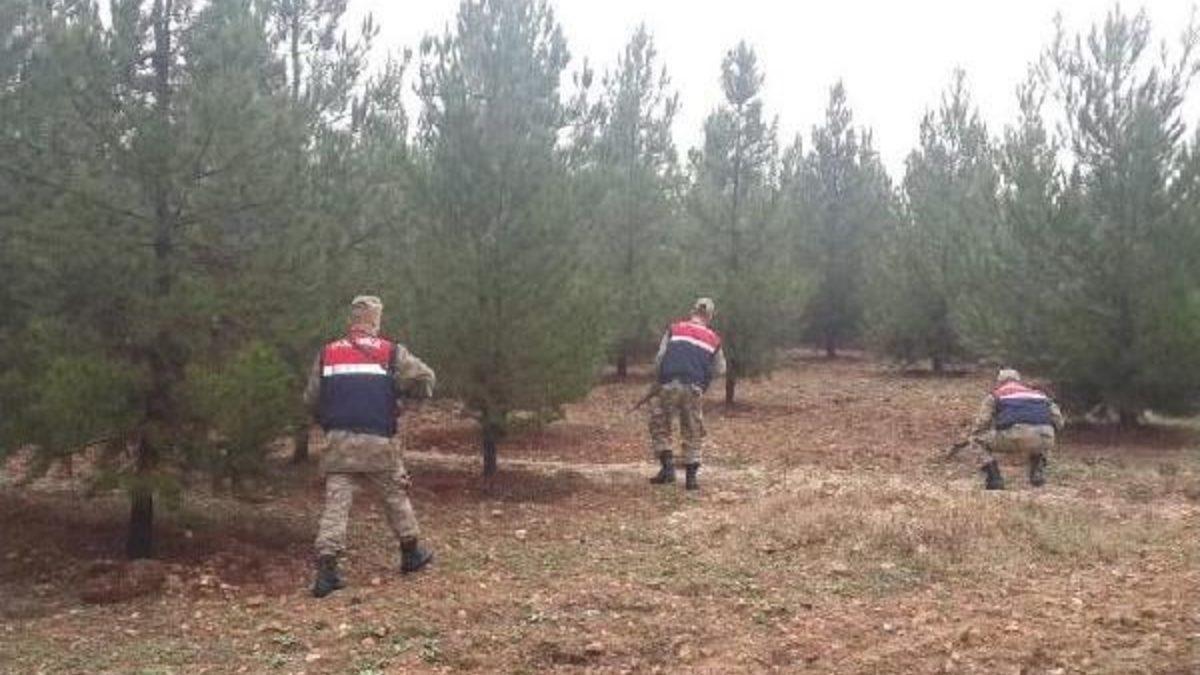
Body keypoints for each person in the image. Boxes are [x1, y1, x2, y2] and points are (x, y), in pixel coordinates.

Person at [303, 295, 437, 597]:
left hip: (339, 442)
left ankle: (327, 572)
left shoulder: (328, 353)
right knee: (394, 495)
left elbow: (311, 398)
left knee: (336, 506)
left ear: (352, 320)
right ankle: (411, 553)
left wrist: (328, 421)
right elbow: (425, 377)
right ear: (376, 320)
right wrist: (407, 401)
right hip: (379, 441)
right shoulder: (391, 351)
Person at [647, 297, 726, 491]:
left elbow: (659, 358)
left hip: (669, 383)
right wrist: (703, 376)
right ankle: (691, 479)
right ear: (710, 316)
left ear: (693, 311)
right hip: (694, 387)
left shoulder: (675, 329)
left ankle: (667, 469)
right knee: (692, 429)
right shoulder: (713, 339)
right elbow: (720, 369)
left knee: (660, 424)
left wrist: (658, 380)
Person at [967, 368, 1064, 490]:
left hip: (1016, 435)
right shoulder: (1040, 395)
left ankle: (994, 478)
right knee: (1041, 440)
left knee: (976, 440)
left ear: (999, 382)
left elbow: (982, 421)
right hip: (1045, 436)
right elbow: (1059, 421)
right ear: (1019, 381)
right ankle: (1037, 472)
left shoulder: (996, 395)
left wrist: (976, 433)